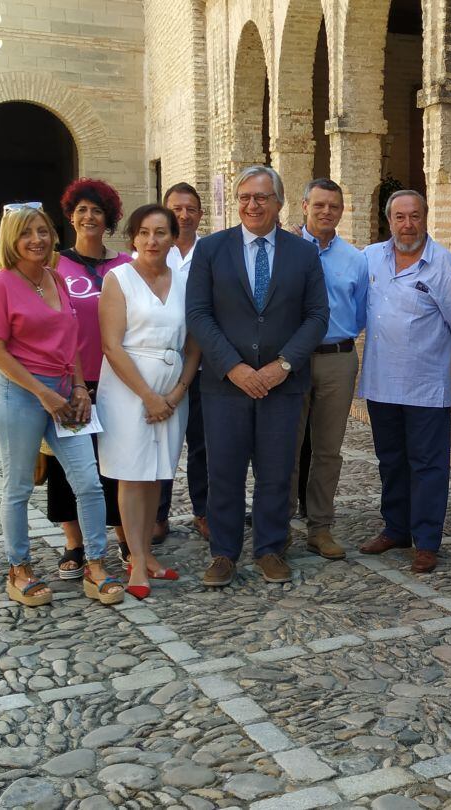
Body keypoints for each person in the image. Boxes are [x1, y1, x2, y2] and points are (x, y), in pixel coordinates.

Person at [186, 166, 329, 588]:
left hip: (282, 385)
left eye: (262, 197)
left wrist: (281, 365)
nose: (252, 204)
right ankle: (224, 554)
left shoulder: (303, 254)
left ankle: (270, 549)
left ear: (279, 203)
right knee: (224, 472)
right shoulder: (211, 250)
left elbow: (317, 316)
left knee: (276, 471)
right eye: (245, 197)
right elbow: (198, 314)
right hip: (225, 385)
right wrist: (234, 367)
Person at [0, 203, 123, 607]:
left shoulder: (57, 280)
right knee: (19, 486)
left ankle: (95, 564)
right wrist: (44, 394)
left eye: (42, 231)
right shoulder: (0, 285)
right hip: (21, 395)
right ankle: (19, 568)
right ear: (12, 239)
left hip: (65, 395)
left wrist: (79, 388)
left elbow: (70, 340)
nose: (37, 240)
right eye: (27, 233)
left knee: (89, 482)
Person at [98, 205, 201, 600]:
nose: (152, 240)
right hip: (130, 388)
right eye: (144, 233)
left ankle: (149, 556)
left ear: (174, 237)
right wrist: (148, 396)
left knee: (157, 473)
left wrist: (177, 392)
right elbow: (111, 344)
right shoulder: (118, 278)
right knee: (131, 472)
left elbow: (194, 345)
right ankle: (137, 559)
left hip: (173, 386)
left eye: (161, 232)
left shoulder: (185, 281)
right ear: (132, 238)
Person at [358, 190, 451, 574]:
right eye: (400, 217)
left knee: (428, 464)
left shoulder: (444, 265)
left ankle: (427, 541)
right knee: (391, 460)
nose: (408, 224)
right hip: (381, 382)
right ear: (389, 221)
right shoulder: (369, 258)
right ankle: (396, 528)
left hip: (425, 384)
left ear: (425, 217)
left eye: (415, 216)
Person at [47, 178, 130, 576]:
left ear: (109, 217)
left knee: (116, 462)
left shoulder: (125, 265)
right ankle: (74, 545)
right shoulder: (55, 265)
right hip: (70, 383)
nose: (89, 216)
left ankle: (124, 536)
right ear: (71, 216)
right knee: (72, 467)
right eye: (81, 209)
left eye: (96, 210)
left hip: (118, 380)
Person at [286, 179, 369, 560]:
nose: (326, 212)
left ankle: (320, 527)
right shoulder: (283, 250)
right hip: (291, 360)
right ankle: (280, 526)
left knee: (328, 449)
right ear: (304, 206)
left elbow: (361, 311)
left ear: (341, 210)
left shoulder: (355, 259)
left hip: (337, 358)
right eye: (318, 205)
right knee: (285, 445)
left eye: (333, 206)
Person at [155, 182, 209, 541]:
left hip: (208, 365)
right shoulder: (153, 251)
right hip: (166, 365)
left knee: (205, 445)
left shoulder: (214, 250)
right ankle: (157, 515)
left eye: (190, 208)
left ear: (200, 214)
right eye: (176, 208)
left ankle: (204, 512)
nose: (184, 215)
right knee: (161, 442)